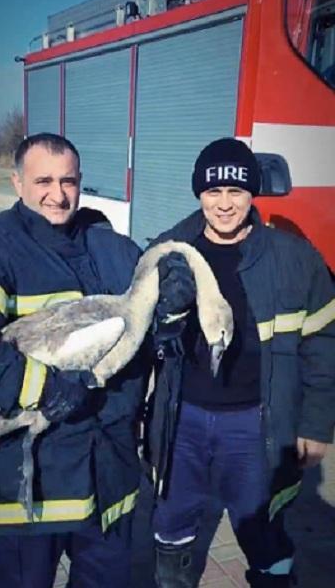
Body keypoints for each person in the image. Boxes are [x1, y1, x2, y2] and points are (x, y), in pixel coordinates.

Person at [0, 133, 152, 588]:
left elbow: (147, 311)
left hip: (110, 475)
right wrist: (40, 386)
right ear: (17, 182)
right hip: (34, 483)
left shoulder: (109, 245)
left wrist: (169, 307)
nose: (58, 194)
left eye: (68, 181)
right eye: (44, 181)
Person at [146, 138, 335, 587]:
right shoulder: (168, 253)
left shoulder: (296, 260)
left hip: (255, 425)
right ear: (199, 193)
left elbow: (325, 345)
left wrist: (315, 424)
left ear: (253, 193)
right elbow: (139, 346)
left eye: (236, 191)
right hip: (184, 421)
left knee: (264, 533)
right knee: (171, 526)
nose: (225, 204)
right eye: (213, 192)